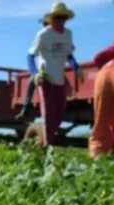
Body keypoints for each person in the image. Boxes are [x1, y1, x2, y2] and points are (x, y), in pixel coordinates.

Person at [27, 2, 84, 147]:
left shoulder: (68, 34)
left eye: (64, 18)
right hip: (45, 78)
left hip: (60, 79)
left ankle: (41, 143)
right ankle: (48, 147)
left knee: (58, 115)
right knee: (48, 115)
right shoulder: (43, 34)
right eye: (58, 18)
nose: (61, 21)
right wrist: (34, 74)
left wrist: (77, 68)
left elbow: (69, 55)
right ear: (52, 18)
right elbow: (30, 55)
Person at [15, 14, 50, 121]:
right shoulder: (50, 34)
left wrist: (34, 73)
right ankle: (26, 106)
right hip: (50, 68)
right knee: (32, 82)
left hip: (45, 68)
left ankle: (26, 106)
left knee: (31, 83)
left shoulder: (43, 35)